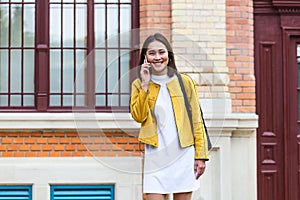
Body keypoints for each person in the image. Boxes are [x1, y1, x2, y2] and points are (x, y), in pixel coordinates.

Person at [130, 33, 209, 200]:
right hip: (155, 156)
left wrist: (200, 155)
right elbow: (138, 116)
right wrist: (145, 84)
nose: (157, 57)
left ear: (169, 55)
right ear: (145, 57)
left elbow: (197, 120)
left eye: (161, 52)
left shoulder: (185, 82)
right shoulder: (139, 84)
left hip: (183, 154)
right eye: (152, 53)